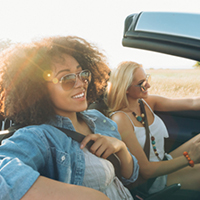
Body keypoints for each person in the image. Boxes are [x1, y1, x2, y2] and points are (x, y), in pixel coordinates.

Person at [0, 37, 139, 200]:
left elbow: (131, 178)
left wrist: (121, 149)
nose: (81, 83)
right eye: (67, 79)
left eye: (83, 74)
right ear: (40, 91)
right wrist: (92, 196)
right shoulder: (39, 136)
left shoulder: (98, 119)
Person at [106, 61, 200, 194]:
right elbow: (147, 171)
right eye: (142, 84)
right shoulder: (120, 119)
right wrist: (189, 158)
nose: (148, 85)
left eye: (147, 79)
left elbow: (191, 103)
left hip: (164, 160)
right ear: (125, 88)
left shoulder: (146, 102)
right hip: (152, 180)